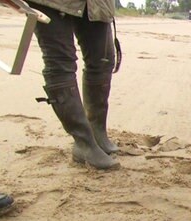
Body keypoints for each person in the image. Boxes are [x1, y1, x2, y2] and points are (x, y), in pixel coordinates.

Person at [27, 0, 121, 169]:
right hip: (50, 3)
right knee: (60, 63)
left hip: (99, 4)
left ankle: (97, 131)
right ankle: (84, 143)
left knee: (103, 60)